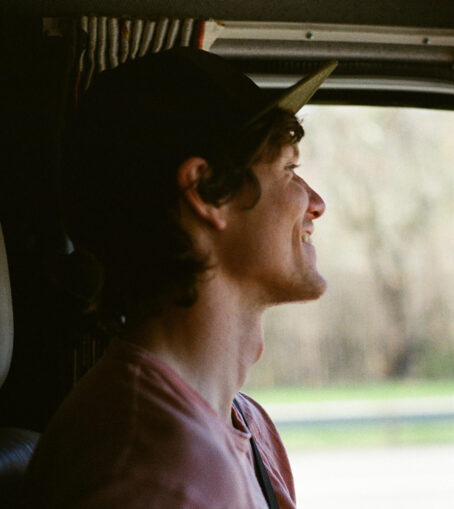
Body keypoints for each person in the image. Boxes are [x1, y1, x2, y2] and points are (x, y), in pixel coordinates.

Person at [22, 47, 336, 508]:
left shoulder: (243, 420)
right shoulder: (156, 473)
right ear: (205, 192)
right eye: (289, 169)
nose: (316, 203)